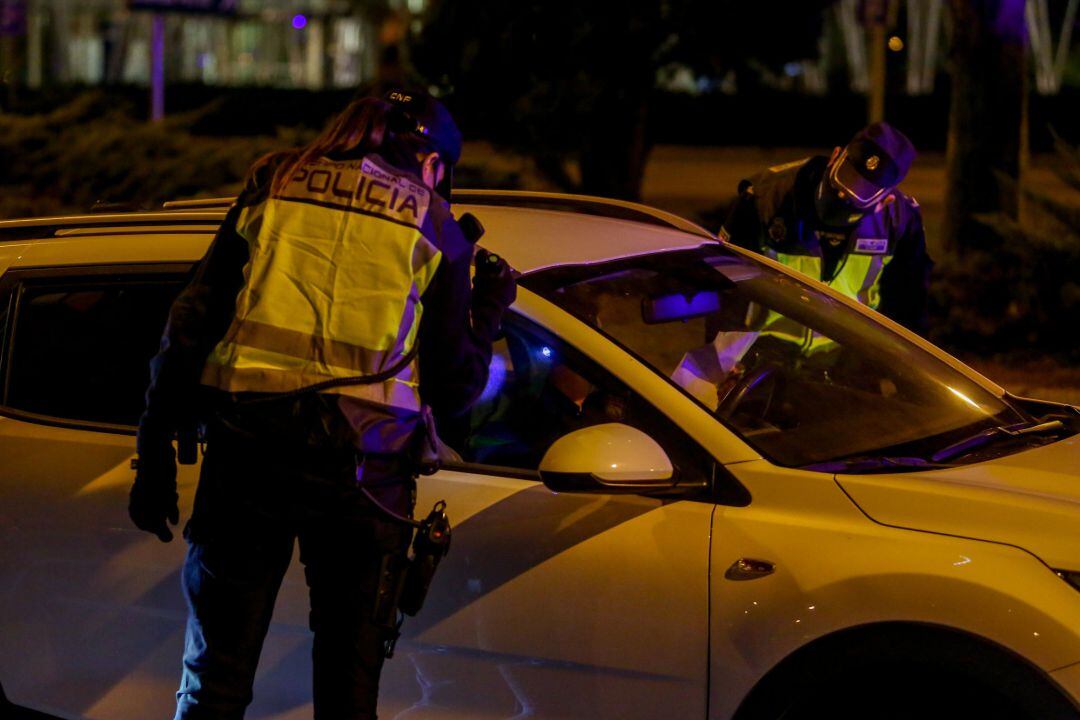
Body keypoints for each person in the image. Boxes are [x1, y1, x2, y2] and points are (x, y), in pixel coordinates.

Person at [128, 90, 516, 719]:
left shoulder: (274, 182)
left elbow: (189, 326)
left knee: (213, 684)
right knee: (346, 691)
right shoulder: (436, 226)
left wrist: (153, 453)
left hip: (246, 459)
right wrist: (490, 308)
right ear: (433, 163)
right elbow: (454, 392)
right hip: (365, 480)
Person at [720, 122, 932, 336]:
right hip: (761, 352)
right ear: (835, 156)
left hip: (848, 359)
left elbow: (908, 312)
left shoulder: (900, 223)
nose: (842, 194)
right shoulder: (765, 197)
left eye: (859, 192)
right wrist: (727, 359)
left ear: (886, 199)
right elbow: (725, 287)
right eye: (846, 177)